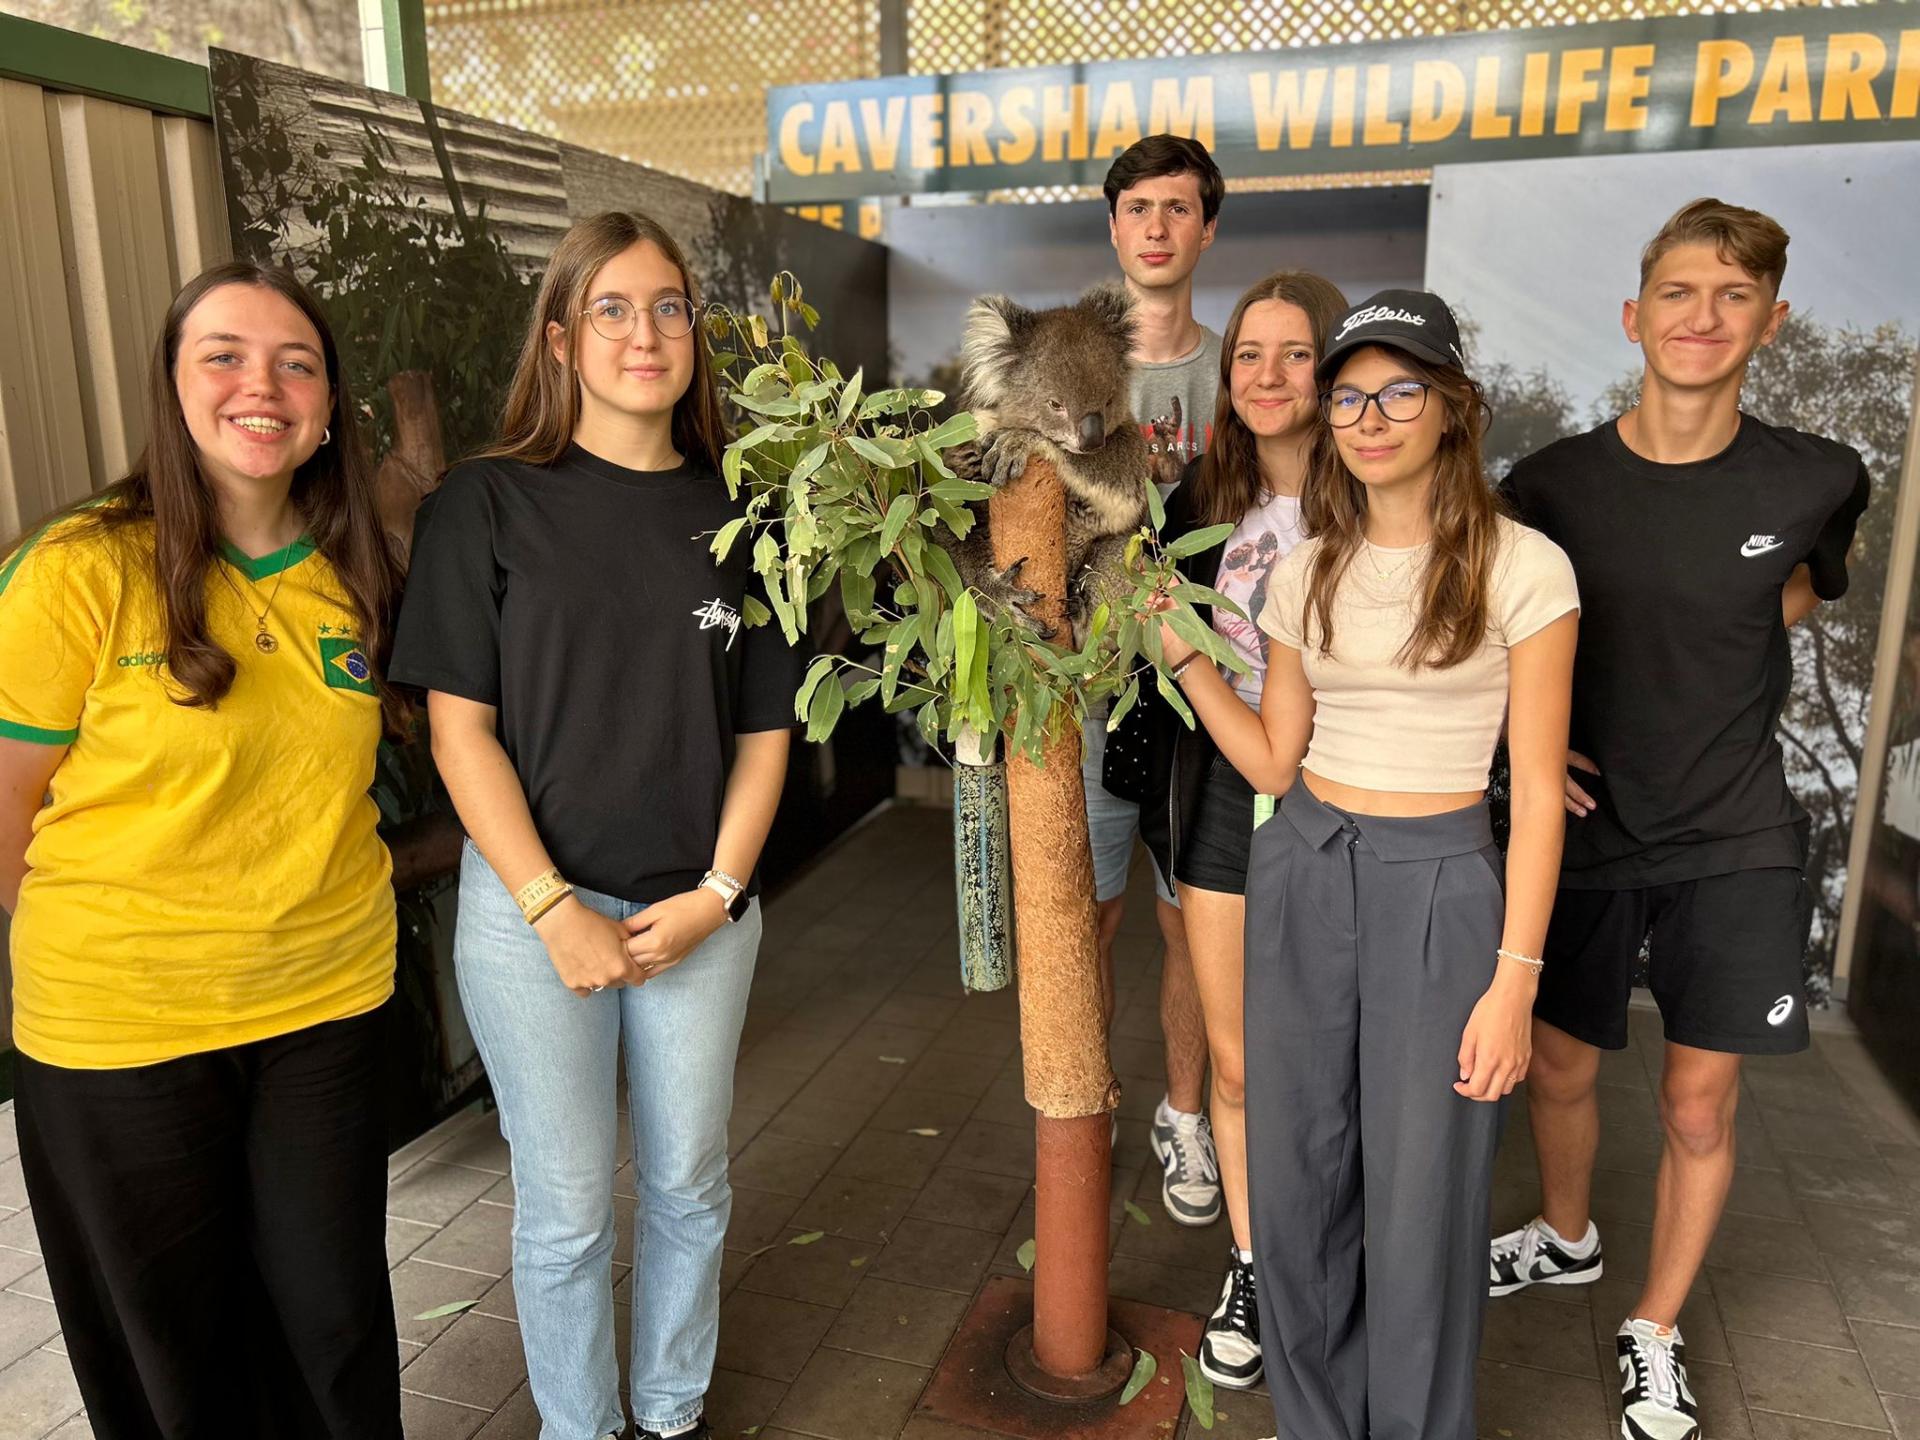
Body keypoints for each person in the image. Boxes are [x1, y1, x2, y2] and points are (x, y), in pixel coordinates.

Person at [391, 211, 801, 1440]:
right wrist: (551, 908)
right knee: (567, 1212)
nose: (646, 333)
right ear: (562, 339)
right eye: (612, 309)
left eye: (668, 306)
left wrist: (721, 893)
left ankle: (667, 1415)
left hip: (700, 908)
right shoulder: (487, 503)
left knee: (688, 1185)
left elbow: (767, 733)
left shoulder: (748, 512)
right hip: (531, 921)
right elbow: (460, 734)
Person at [1157, 290, 1580, 1440]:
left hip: (1442, 889)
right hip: (1302, 866)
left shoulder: (1525, 567)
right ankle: (1317, 1422)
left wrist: (1515, 980)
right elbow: (1271, 760)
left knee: (1422, 1200)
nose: (1371, 417)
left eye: (1400, 390)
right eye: (1349, 396)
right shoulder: (1306, 573)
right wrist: (1185, 654)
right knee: (1298, 1177)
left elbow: (1537, 794)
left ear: (1453, 404)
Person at [0, 262, 406, 1438]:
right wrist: (120, 947)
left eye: (296, 362)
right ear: (173, 386)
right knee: (172, 1346)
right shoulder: (78, 570)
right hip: (123, 1029)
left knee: (332, 1328)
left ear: (328, 402)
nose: (261, 386)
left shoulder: (358, 571)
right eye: (223, 355)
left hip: (324, 1013)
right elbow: (8, 809)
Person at [1491, 198, 1870, 1440]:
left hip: (1736, 837)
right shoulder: (1545, 486)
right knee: (1556, 1065)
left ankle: (1651, 1328)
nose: (1701, 318)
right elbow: (1500, 641)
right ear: (1634, 314)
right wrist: (1536, 748)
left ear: (1770, 317)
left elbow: (1801, 590)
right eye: (1678, 293)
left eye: (1732, 295)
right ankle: (1565, 1236)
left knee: (1698, 1107)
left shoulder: (1818, 475)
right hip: (1588, 829)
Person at [1134, 269, 1348, 1389]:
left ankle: (1335, 1261)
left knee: (1338, 1055)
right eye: (1248, 356)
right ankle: (1258, 1262)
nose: (1268, 376)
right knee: (1237, 1057)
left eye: (1294, 353)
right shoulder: (1196, 508)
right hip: (1227, 792)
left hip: (1353, 792)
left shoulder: (1377, 492)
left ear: (1334, 364)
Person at [1092, 132, 1224, 1225]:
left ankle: (1186, 1116)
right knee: (1084, 921)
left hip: (1203, 695)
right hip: (1085, 692)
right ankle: (1083, 1106)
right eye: (1138, 207)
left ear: (1205, 229)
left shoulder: (1248, 370)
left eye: (1177, 208)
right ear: (1114, 226)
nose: (1156, 226)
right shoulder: (1065, 365)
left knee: (1190, 924)